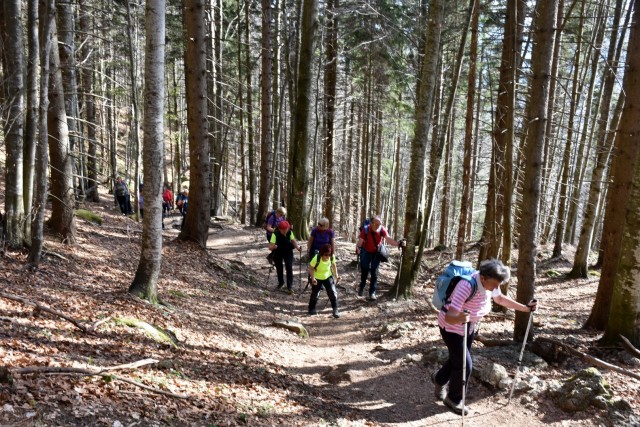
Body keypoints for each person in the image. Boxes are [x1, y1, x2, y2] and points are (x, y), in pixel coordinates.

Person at [431, 259, 538, 416]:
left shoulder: (491, 282)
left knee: (458, 359)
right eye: (494, 285)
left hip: (469, 327)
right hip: (451, 328)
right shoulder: (466, 286)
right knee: (465, 364)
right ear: (483, 278)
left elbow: (500, 298)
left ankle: (439, 379)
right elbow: (449, 316)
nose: (496, 288)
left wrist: (525, 308)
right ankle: (454, 399)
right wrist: (460, 318)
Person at [355, 215, 404, 300]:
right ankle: (361, 286)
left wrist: (398, 244)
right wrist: (358, 248)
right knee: (364, 270)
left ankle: (372, 293)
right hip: (366, 252)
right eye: (376, 224)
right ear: (371, 223)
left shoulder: (382, 229)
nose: (378, 226)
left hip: (376, 252)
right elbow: (360, 242)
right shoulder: (366, 229)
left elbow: (388, 239)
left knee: (374, 273)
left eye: (379, 224)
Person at [268, 220, 302, 294]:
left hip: (288, 251)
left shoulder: (290, 232)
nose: (285, 231)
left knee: (289, 267)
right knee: (279, 267)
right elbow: (270, 247)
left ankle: (289, 286)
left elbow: (293, 241)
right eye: (284, 230)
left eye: (286, 229)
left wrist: (298, 247)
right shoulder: (275, 233)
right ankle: (281, 283)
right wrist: (274, 247)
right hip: (278, 251)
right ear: (280, 229)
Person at [308, 243, 340, 318]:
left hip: (327, 276)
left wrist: (336, 276)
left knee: (332, 292)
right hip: (317, 277)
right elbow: (311, 268)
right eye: (326, 254)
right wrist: (313, 278)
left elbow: (334, 265)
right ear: (322, 253)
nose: (327, 256)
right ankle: (311, 308)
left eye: (329, 254)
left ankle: (335, 309)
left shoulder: (331, 257)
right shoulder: (317, 258)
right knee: (315, 293)